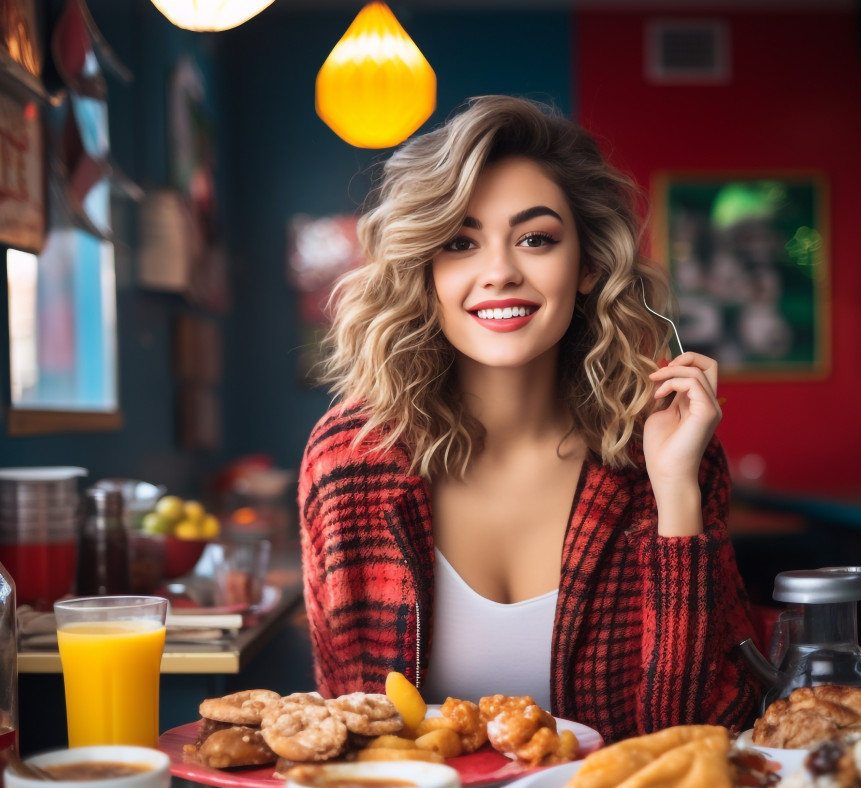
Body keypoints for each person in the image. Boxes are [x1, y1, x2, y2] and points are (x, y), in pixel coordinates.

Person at [299, 95, 759, 743]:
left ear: (589, 267)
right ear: (424, 270)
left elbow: (687, 740)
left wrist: (675, 494)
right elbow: (344, 730)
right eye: (460, 242)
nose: (500, 273)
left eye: (536, 239)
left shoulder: (663, 449)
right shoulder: (350, 457)